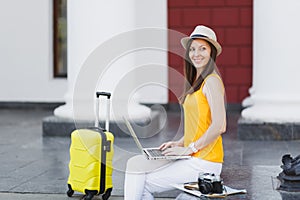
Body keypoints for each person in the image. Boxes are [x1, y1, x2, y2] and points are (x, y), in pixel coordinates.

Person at [124, 25, 226, 200]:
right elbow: (199, 125)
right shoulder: (196, 82)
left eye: (203, 48)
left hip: (205, 161)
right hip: (193, 155)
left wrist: (189, 149)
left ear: (212, 53)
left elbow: (219, 125)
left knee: (141, 183)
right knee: (135, 164)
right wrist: (179, 143)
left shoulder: (212, 82)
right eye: (192, 49)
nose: (196, 54)